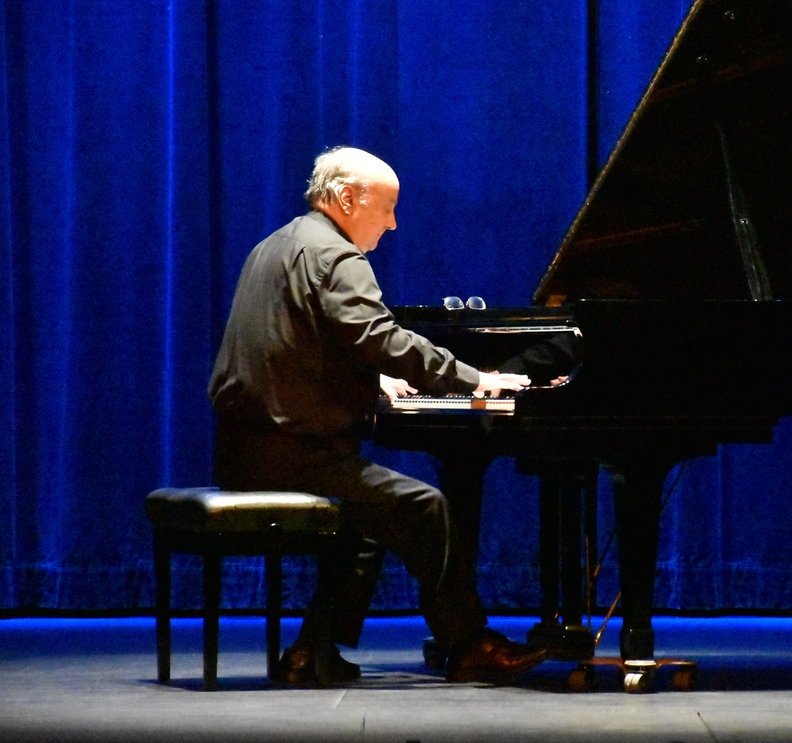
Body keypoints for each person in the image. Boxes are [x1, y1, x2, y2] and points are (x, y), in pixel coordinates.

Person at [208, 146, 546, 684]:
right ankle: (469, 644)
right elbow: (380, 336)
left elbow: (296, 347)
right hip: (293, 456)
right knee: (425, 507)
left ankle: (308, 653)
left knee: (371, 520)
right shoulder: (337, 256)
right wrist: (474, 378)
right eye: (386, 208)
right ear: (346, 198)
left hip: (244, 450)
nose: (392, 223)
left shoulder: (275, 246)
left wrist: (371, 378)